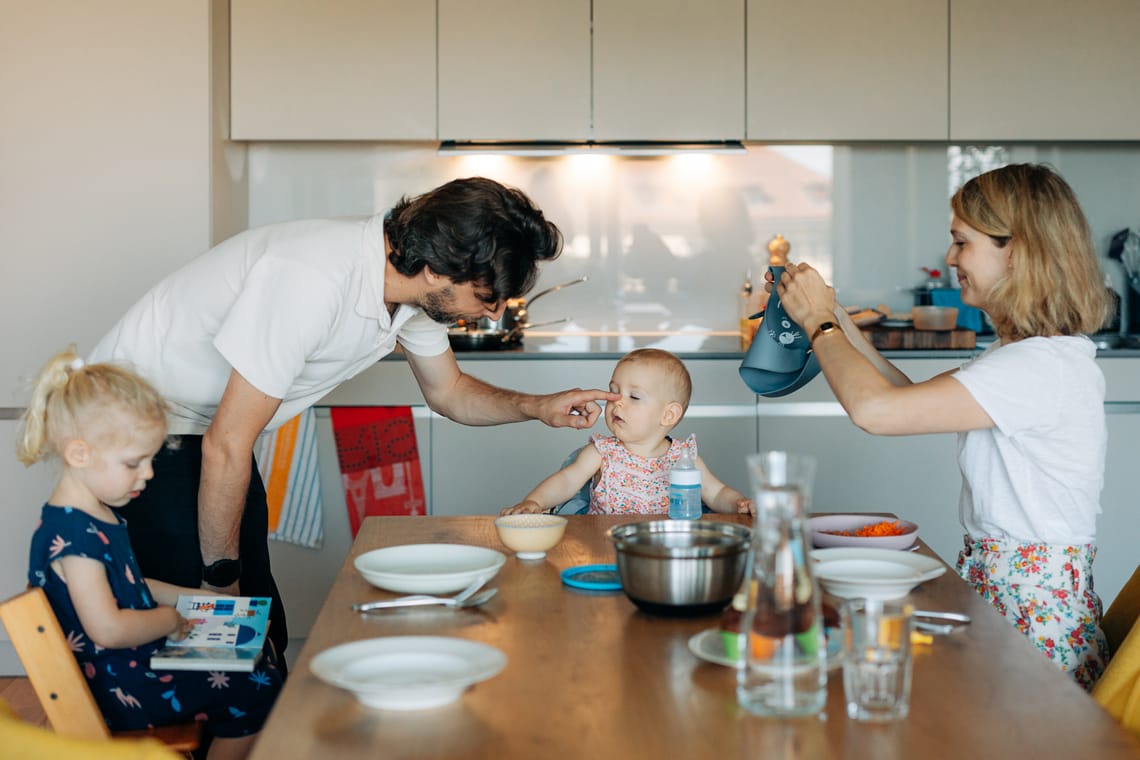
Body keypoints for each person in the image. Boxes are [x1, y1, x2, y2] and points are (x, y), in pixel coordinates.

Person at [89, 177, 619, 664]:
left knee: (254, 629)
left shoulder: (409, 294)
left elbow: (451, 392)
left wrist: (537, 405)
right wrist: (220, 582)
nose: (494, 313)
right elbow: (227, 444)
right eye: (486, 297)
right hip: (135, 435)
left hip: (206, 433)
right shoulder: (313, 277)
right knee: (206, 639)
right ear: (437, 269)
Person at [773, 163, 1112, 690]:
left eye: (961, 243)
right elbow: (903, 396)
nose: (951, 258)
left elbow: (877, 412)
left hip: (1032, 631)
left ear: (1018, 250)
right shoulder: (1032, 357)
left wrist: (818, 324)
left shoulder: (1037, 368)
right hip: (1018, 603)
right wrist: (834, 316)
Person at [18, 347, 281, 760]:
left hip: (130, 667)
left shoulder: (92, 514)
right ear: (79, 454)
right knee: (258, 686)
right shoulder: (73, 535)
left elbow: (130, 584)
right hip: (122, 688)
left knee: (254, 653)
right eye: (134, 463)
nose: (149, 474)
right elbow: (108, 629)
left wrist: (199, 601)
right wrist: (169, 620)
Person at [501, 348, 752, 516]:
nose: (617, 402)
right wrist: (534, 502)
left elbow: (717, 493)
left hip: (665, 552)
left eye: (634, 396)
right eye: (614, 392)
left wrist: (740, 505)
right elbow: (566, 481)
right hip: (604, 548)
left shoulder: (685, 458)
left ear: (668, 415)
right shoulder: (601, 453)